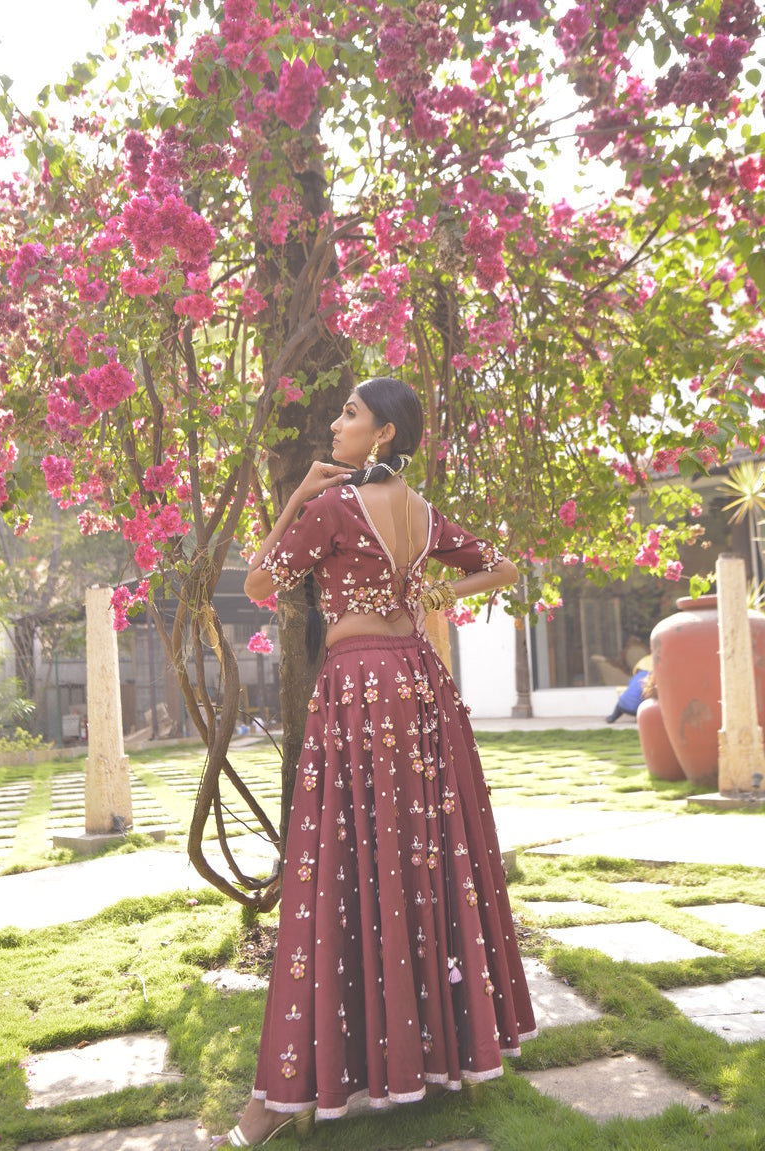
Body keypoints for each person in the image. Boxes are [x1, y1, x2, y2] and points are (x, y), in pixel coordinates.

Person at [213, 377, 536, 1148]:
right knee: (419, 860)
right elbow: (504, 567)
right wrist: (432, 588)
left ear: (383, 433)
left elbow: (260, 582)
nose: (335, 422)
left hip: (359, 689)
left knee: (346, 862)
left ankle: (298, 1090)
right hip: (420, 685)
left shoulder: (330, 507)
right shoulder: (422, 512)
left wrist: (294, 497)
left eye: (350, 413)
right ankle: (434, 1054)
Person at [605, 655, 653, 723]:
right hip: (637, 710)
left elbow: (630, 685)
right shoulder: (650, 680)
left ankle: (612, 717)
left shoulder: (636, 677)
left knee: (623, 699)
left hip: (622, 706)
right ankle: (639, 719)